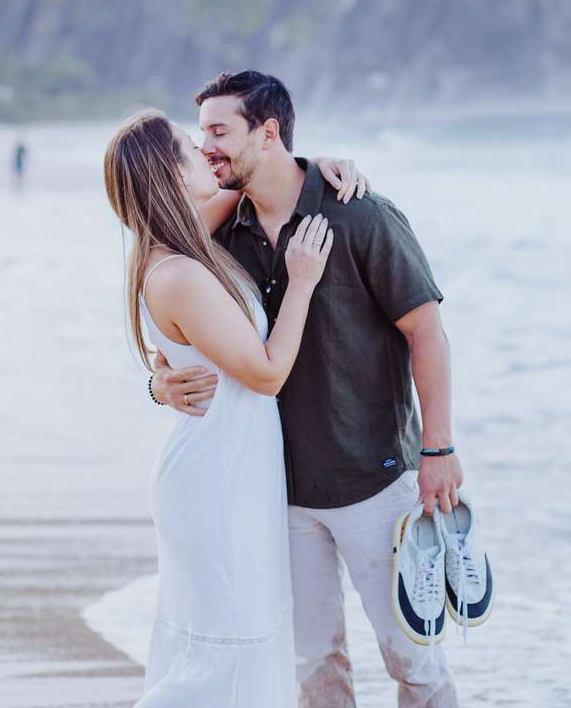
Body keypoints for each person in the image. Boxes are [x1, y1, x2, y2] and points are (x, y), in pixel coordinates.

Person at [152, 71, 462, 708]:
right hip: (277, 496)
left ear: (268, 133)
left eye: (219, 131)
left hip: (373, 480)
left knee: (415, 661)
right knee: (315, 669)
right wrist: (159, 381)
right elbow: (163, 308)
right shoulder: (217, 235)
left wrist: (439, 450)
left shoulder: (361, 216)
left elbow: (426, 332)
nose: (205, 145)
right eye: (200, 133)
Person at [103, 107, 370, 707]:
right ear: (170, 175)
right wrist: (300, 281)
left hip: (231, 473)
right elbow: (269, 374)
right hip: (216, 483)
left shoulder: (184, 238)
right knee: (219, 663)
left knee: (231, 654)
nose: (205, 149)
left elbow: (264, 194)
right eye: (189, 145)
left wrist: (309, 171)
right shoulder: (178, 274)